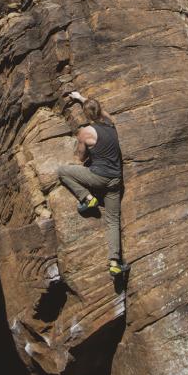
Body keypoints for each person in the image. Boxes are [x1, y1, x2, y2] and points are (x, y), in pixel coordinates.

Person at [57, 92, 129, 278]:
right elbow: (103, 112)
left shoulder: (86, 132)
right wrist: (83, 100)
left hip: (99, 177)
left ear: (86, 115)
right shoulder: (111, 125)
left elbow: (80, 157)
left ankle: (88, 199)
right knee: (113, 220)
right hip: (115, 180)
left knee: (63, 171)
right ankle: (114, 263)